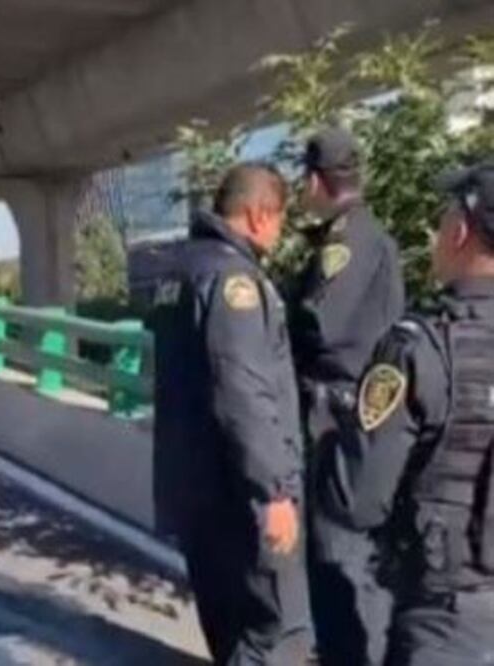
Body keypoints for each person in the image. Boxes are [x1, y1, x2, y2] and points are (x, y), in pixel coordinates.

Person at [321, 162, 494, 665]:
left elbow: (356, 499)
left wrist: (336, 435)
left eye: (443, 219)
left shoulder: (418, 347)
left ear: (460, 231)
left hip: (445, 619)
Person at [151, 163, 312, 664]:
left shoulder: (180, 271)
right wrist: (275, 491)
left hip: (193, 492)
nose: (281, 233)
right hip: (238, 498)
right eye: (281, 220)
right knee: (277, 633)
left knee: (229, 630)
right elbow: (242, 392)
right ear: (260, 215)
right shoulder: (233, 282)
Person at [288, 128, 405, 665]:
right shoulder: (366, 235)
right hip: (354, 414)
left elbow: (319, 322)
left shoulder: (347, 241)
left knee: (339, 566)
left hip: (337, 420)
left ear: (315, 181)